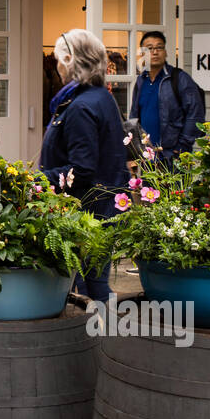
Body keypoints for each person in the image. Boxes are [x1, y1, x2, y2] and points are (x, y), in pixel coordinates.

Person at [38, 30, 126, 303]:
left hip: (90, 213)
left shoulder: (82, 106)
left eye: (58, 59)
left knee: (91, 288)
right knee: (93, 283)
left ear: (70, 60)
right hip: (102, 206)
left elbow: (82, 170)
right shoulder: (99, 96)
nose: (56, 66)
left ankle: (101, 340)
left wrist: (37, 179)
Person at [129, 30, 206, 167]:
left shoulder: (179, 79)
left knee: (176, 189)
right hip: (148, 157)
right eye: (150, 48)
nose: (155, 52)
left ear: (165, 52)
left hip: (173, 157)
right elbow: (134, 118)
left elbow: (195, 114)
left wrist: (181, 147)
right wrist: (135, 150)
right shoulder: (141, 81)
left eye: (159, 47)